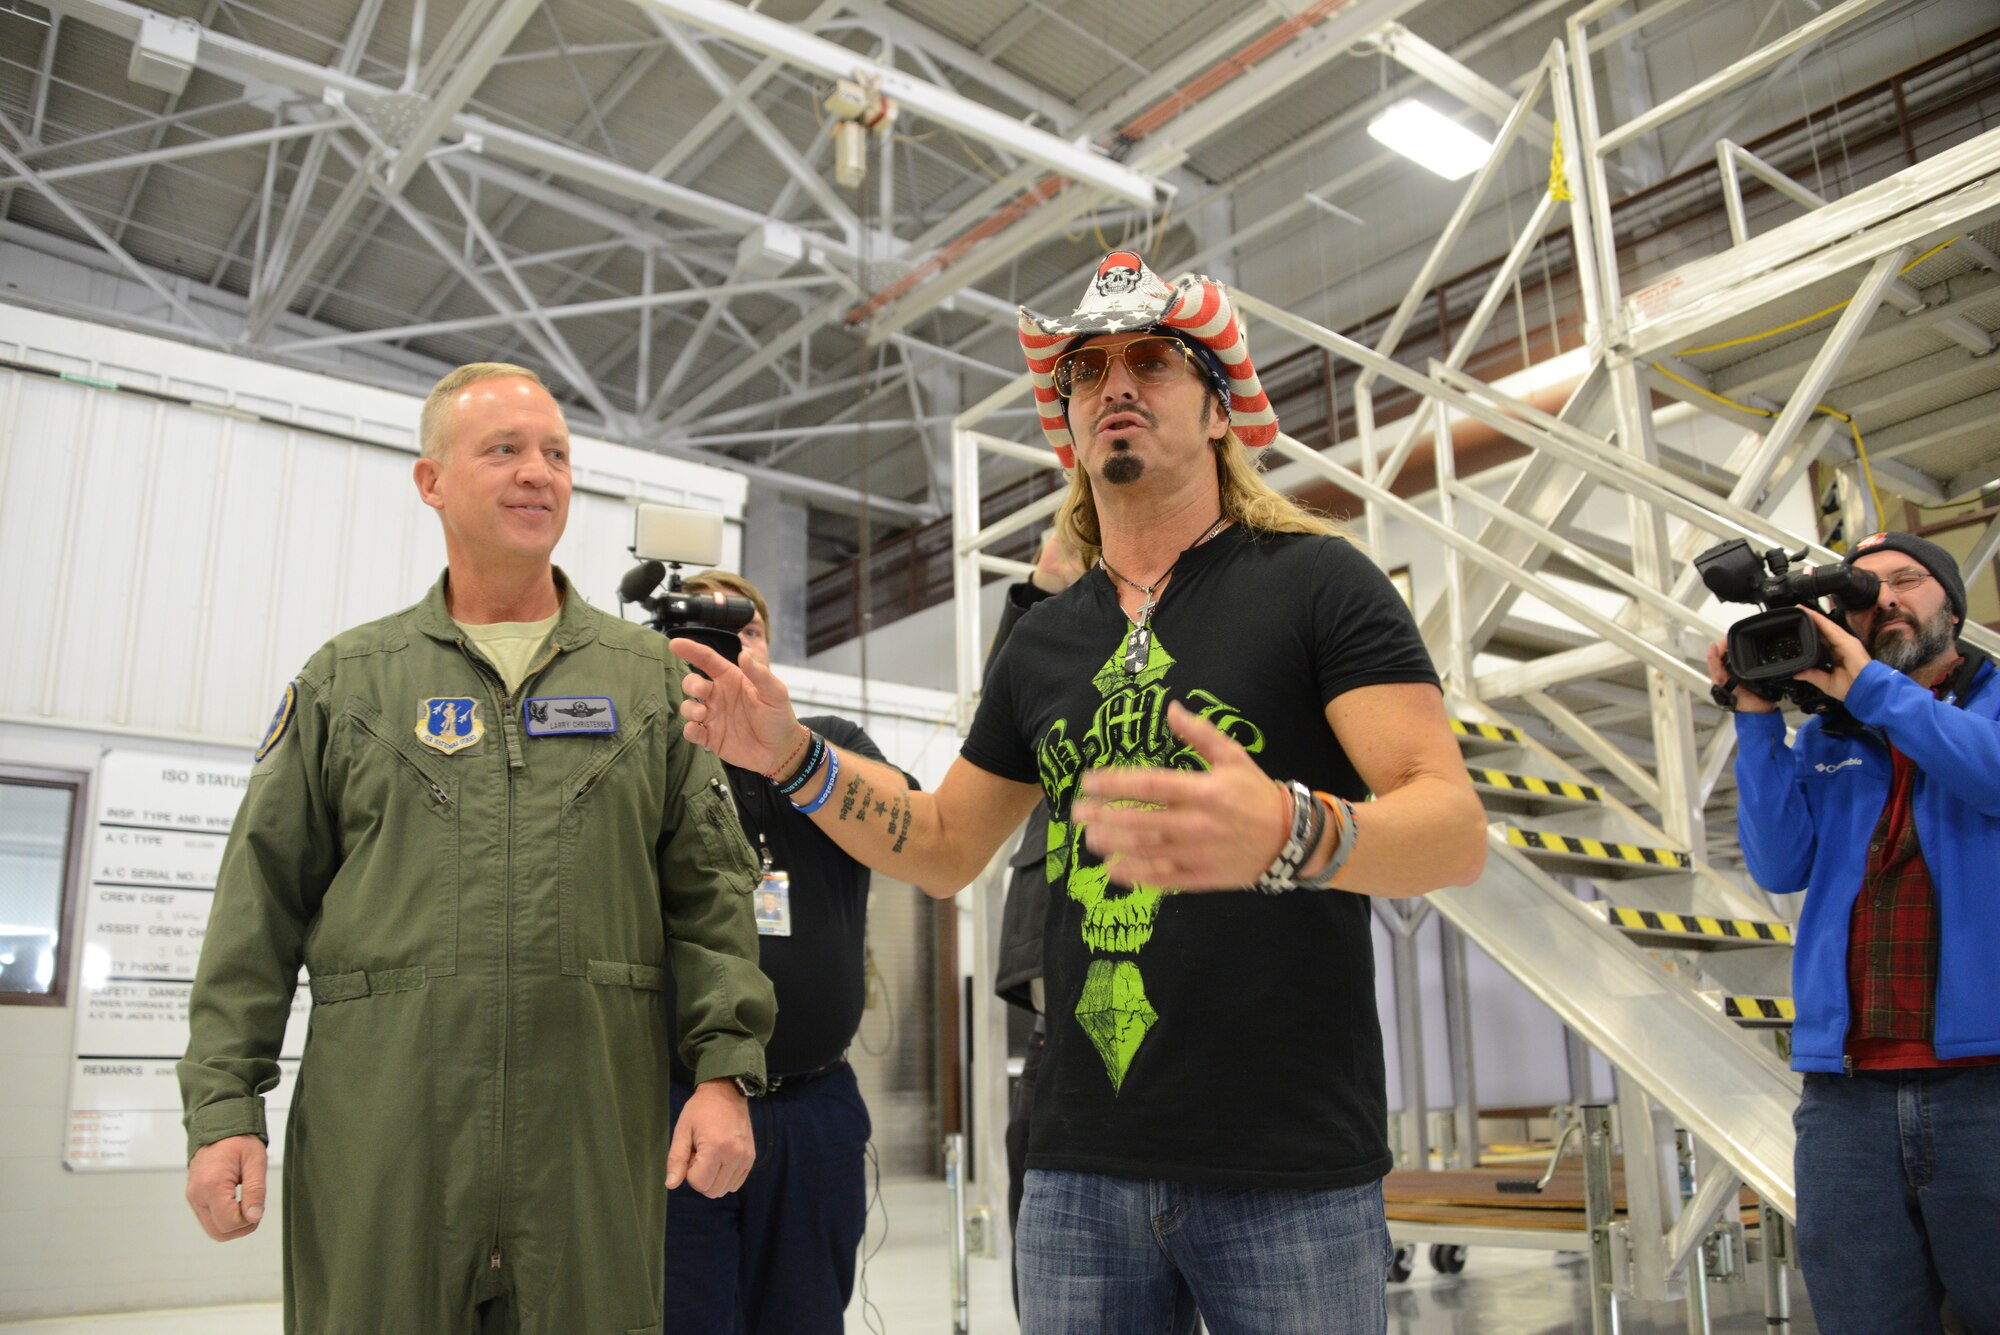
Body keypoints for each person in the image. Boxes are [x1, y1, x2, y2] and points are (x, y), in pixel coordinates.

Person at [672, 251, 1488, 1334]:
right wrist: (794, 758)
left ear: (1216, 406)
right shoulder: (1046, 640)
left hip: (1285, 1165)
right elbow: (946, 841)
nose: (1116, 385)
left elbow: (1451, 830)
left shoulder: (1315, 583)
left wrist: (1293, 830)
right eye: (1088, 369)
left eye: (1152, 361)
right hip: (1075, 1170)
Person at [178, 362, 776, 1334]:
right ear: (431, 482)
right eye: (503, 450)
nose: (537, 472)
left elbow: (710, 897)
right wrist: (222, 1112)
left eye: (555, 454)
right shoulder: (348, 684)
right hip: (384, 1145)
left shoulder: (647, 686)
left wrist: (721, 1074)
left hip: (586, 1144)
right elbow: (257, 908)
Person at [1711, 529, 2000, 1335]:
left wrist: (1870, 687)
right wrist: (1757, 718)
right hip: (1845, 1099)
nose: (1887, 602)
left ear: (1953, 603)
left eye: (1907, 581)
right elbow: (1779, 861)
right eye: (1865, 594)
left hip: (1988, 1083)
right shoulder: (1833, 738)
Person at [662, 568, 916, 1335]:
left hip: (815, 1104)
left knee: (808, 1319)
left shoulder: (830, 747)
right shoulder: (657, 763)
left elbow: (911, 823)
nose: (732, 649)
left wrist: (785, 752)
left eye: (747, 631)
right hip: (681, 1099)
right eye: (708, 636)